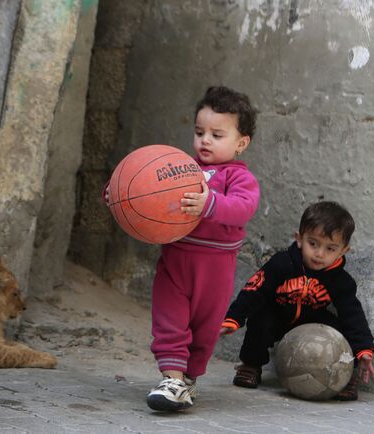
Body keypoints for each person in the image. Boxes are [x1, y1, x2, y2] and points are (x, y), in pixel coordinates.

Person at [104, 86, 260, 412]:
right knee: (169, 321)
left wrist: (210, 202)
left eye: (217, 134)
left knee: (204, 331)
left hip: (215, 267)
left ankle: (188, 378)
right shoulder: (178, 167)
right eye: (199, 132)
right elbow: (144, 186)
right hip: (175, 259)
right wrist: (119, 195)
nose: (205, 140)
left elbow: (243, 209)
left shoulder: (239, 177)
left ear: (241, 143)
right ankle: (171, 378)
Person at [220, 201, 374, 401]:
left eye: (330, 248)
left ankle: (344, 377)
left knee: (341, 330)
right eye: (313, 243)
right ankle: (251, 366)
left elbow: (353, 316)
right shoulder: (282, 263)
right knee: (261, 319)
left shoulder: (341, 281)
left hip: (313, 321)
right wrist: (233, 318)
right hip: (279, 315)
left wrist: (364, 349)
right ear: (299, 239)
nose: (320, 254)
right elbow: (255, 289)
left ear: (343, 251)